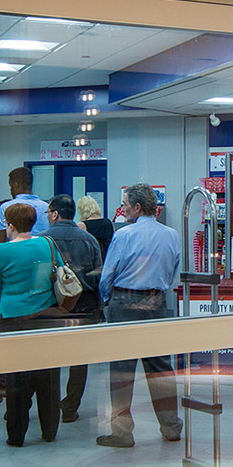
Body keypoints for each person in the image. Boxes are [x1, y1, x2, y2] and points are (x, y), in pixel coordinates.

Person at [96, 183, 183, 448]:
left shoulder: (124, 235)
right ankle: (170, 427)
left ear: (136, 207)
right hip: (156, 301)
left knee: (122, 370)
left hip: (125, 301)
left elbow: (107, 275)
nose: (122, 210)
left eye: (124, 205)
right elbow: (171, 271)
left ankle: (122, 433)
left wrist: (108, 300)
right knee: (160, 368)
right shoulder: (172, 235)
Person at [0, 203, 70, 446]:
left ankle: (16, 435)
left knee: (16, 379)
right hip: (45, 315)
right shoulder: (46, 243)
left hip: (13, 318)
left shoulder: (0, 251)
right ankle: (49, 430)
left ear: (10, 225)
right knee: (48, 375)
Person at [43, 194, 103, 423]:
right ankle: (70, 406)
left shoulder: (43, 240)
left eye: (49, 212)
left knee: (51, 358)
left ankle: (49, 406)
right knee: (79, 359)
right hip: (85, 303)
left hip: (54, 305)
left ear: (55, 213)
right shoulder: (88, 239)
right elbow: (98, 274)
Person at [0, 167, 50, 245]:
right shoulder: (47, 208)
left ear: (16, 185)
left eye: (11, 187)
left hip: (13, 255)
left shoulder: (5, 208)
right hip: (41, 254)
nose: (11, 191)